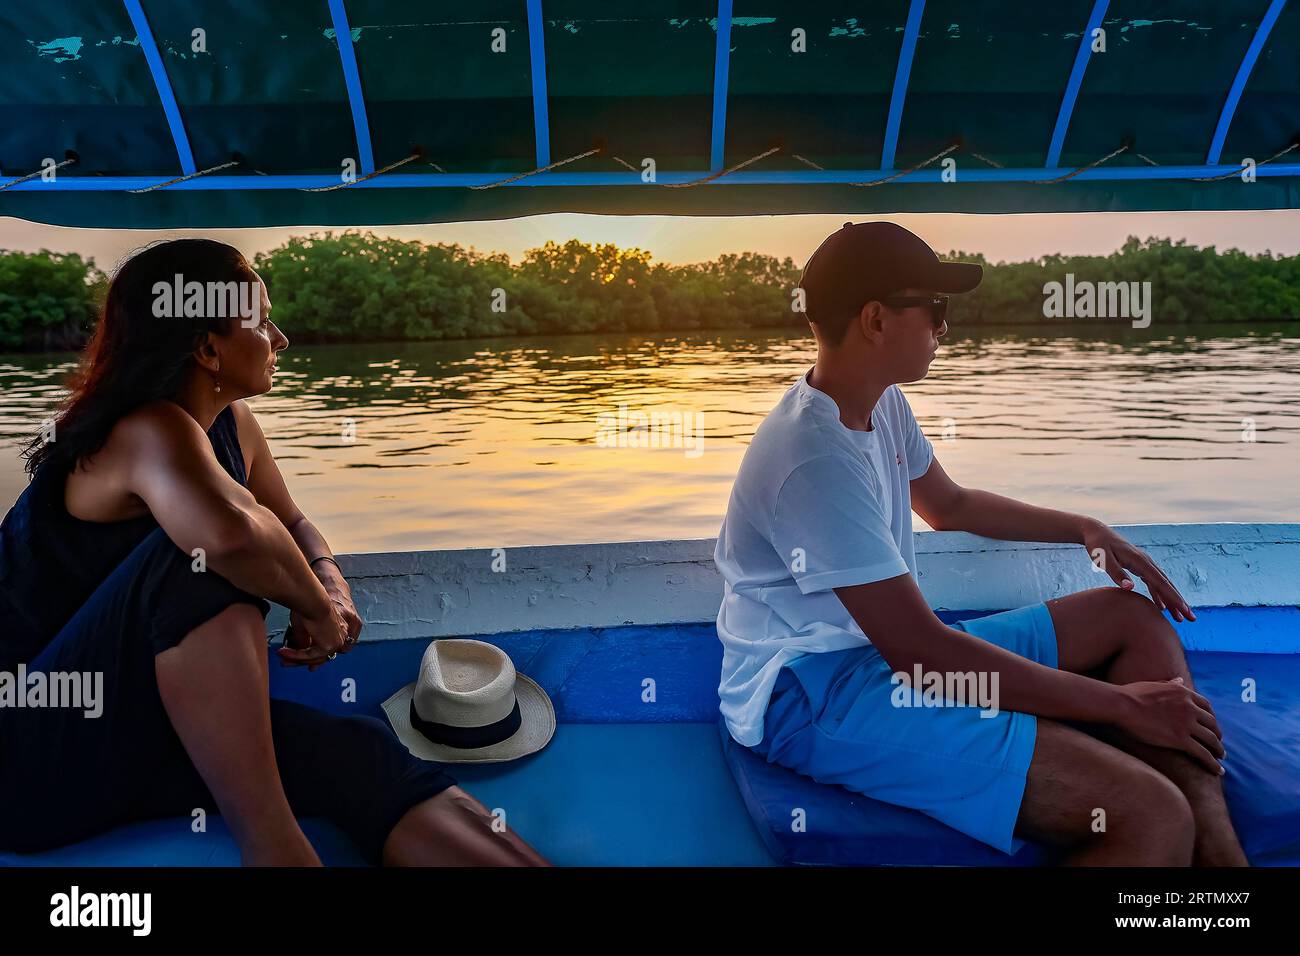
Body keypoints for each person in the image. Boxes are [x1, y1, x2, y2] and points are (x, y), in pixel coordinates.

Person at [713, 221, 1247, 866]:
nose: (945, 328)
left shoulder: (879, 403)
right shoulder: (811, 458)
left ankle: (1223, 867)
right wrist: (1121, 705)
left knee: (1128, 616)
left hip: (886, 655)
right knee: (1151, 817)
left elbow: (948, 505)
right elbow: (921, 655)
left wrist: (1084, 528)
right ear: (876, 320)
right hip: (815, 689)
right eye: (934, 309)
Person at [0, 238, 547, 867]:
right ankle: (278, 853)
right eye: (262, 320)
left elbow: (290, 520)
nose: (280, 339)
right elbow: (231, 535)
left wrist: (331, 587)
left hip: (137, 738)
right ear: (207, 346)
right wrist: (314, 607)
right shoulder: (145, 430)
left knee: (358, 752)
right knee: (192, 562)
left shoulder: (230, 425)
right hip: (33, 756)